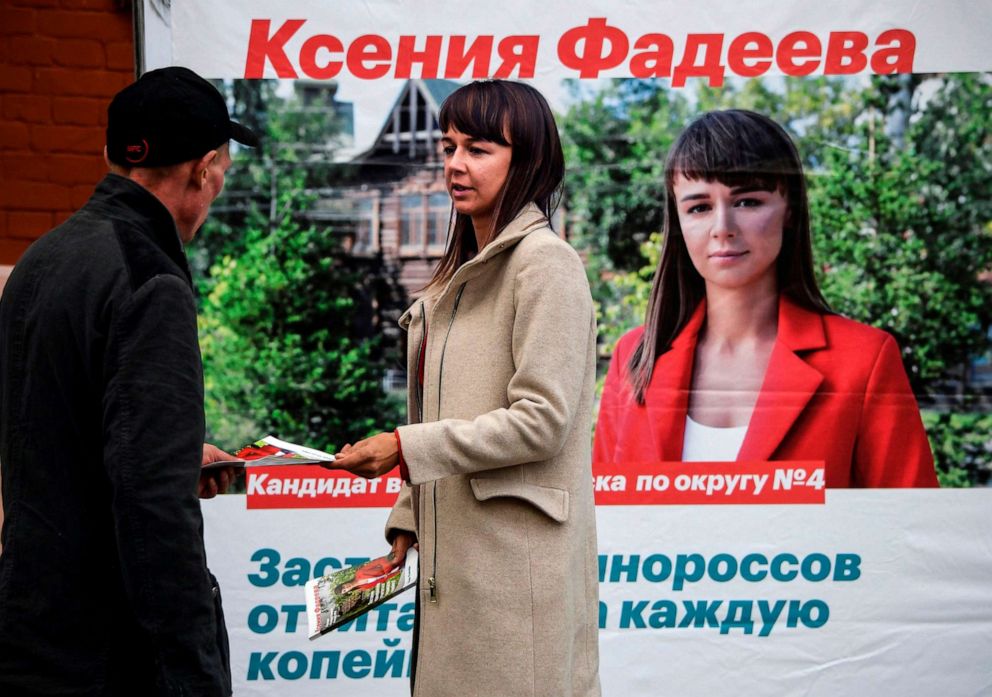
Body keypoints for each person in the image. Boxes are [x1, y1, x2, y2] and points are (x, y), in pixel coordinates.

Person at [329, 80, 601, 696]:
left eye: (478, 149)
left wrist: (402, 445)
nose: (454, 164)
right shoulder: (455, 278)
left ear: (526, 161)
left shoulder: (546, 264)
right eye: (449, 147)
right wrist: (405, 525)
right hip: (452, 569)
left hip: (514, 571)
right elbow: (443, 411)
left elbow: (542, 420)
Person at [0, 66, 258, 695]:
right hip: (109, 646)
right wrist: (194, 672)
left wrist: (171, 453)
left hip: (29, 620)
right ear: (204, 169)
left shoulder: (44, 257)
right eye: (221, 167)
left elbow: (51, 423)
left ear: (109, 154)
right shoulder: (151, 281)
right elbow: (153, 507)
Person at [593, 109, 938, 488]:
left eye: (747, 202)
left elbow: (905, 535)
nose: (722, 228)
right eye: (699, 207)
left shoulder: (864, 360)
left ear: (789, 209)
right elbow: (602, 530)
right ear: (678, 222)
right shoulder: (635, 357)